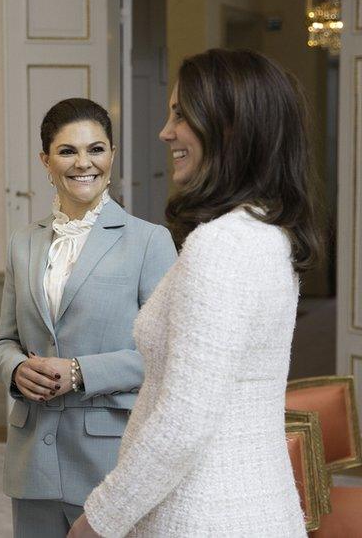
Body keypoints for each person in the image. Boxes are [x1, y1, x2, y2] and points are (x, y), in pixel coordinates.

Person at [69, 49, 321, 538]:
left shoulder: (225, 243)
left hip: (205, 514)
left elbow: (184, 421)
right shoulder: (264, 231)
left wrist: (99, 518)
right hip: (248, 505)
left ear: (228, 126)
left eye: (181, 114)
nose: (166, 131)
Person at [0, 98, 177, 537]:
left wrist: (79, 372)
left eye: (95, 149)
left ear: (112, 155)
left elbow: (167, 355)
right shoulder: (23, 243)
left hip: (108, 457)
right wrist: (16, 370)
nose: (83, 163)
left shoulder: (150, 242)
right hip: (32, 455)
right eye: (67, 151)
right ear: (46, 160)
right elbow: (3, 342)